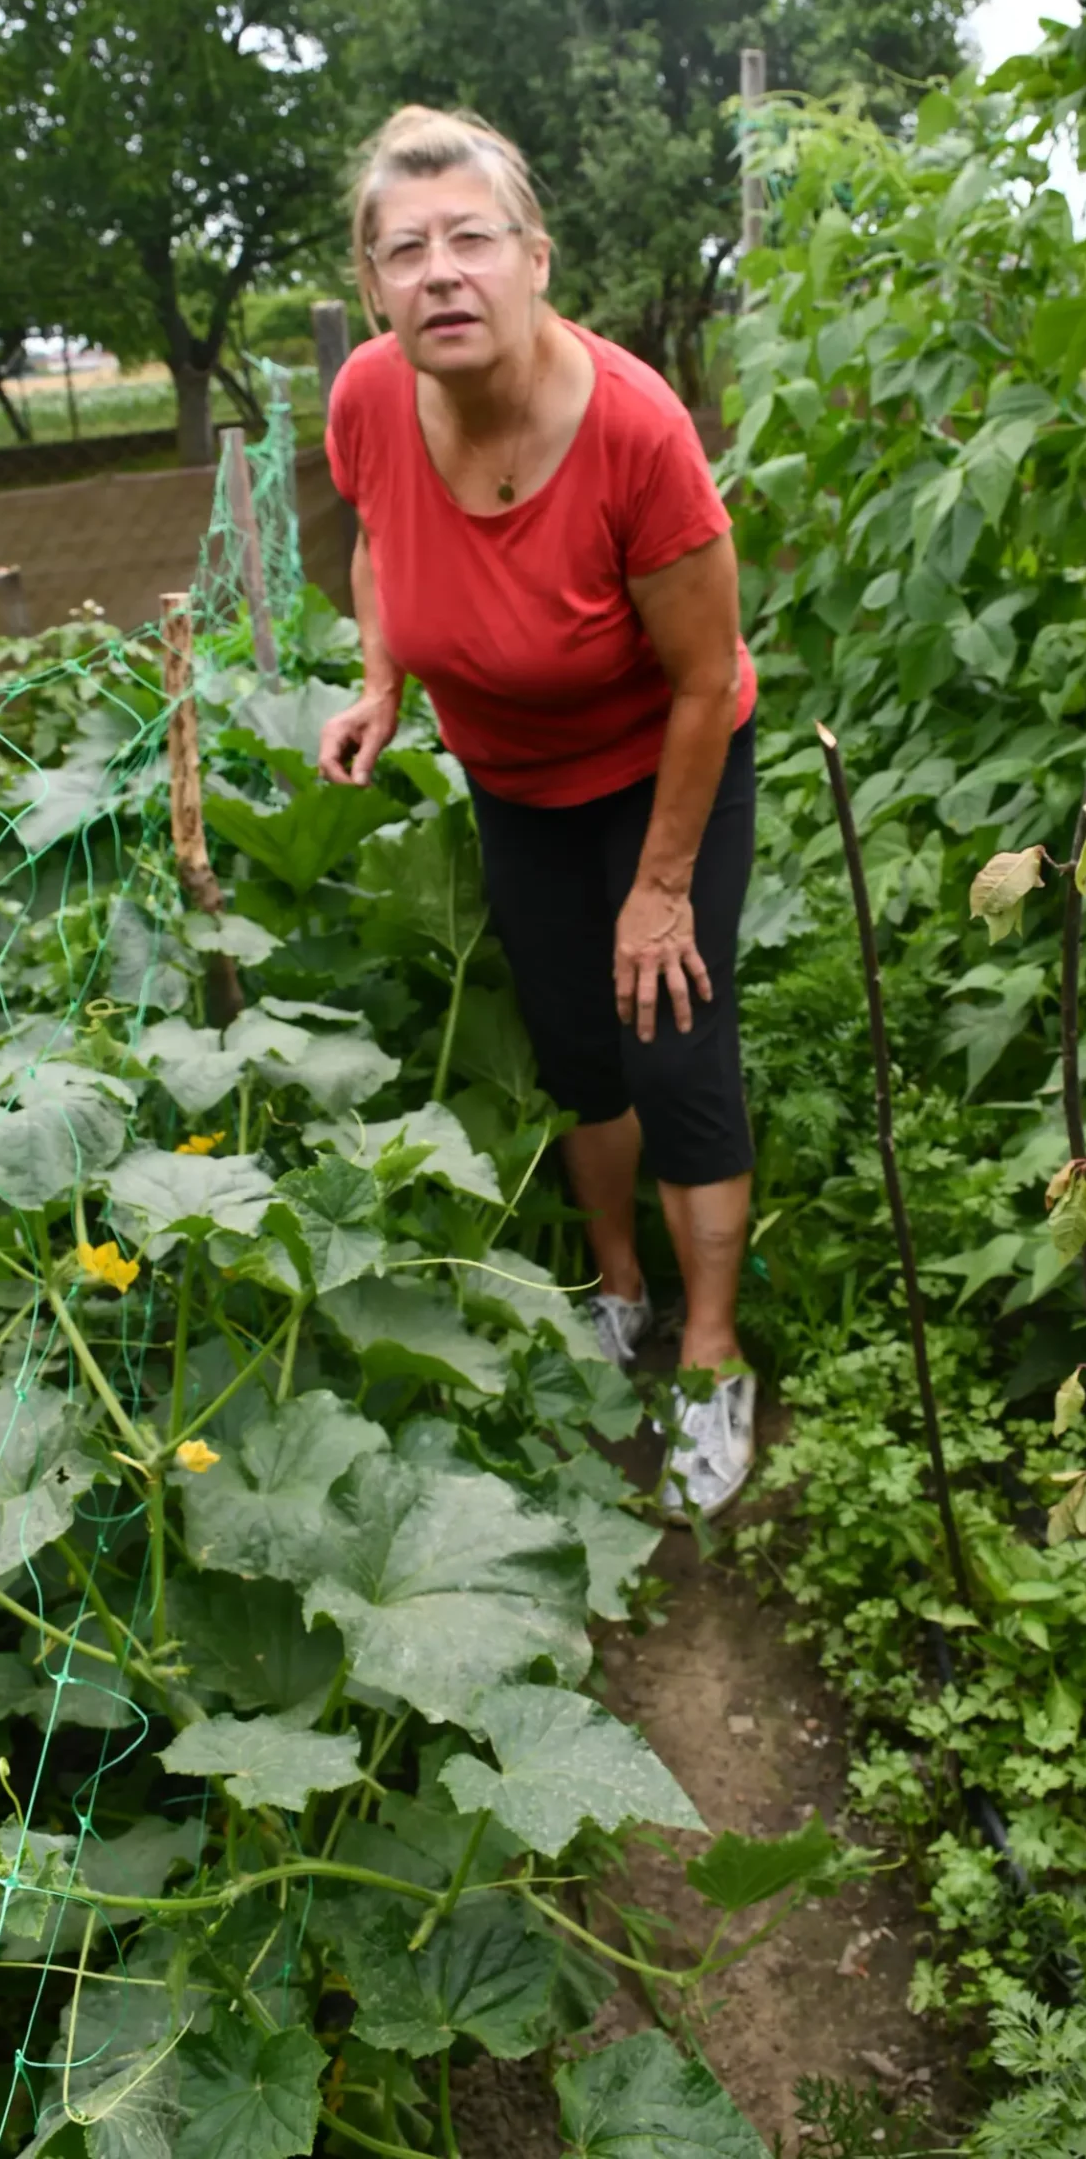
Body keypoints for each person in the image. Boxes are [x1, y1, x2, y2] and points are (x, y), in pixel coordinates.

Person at [317, 105, 759, 1520]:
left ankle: (709, 1356)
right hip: (514, 778)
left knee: (672, 1041)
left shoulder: (634, 431)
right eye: (404, 250)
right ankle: (614, 1287)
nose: (439, 272)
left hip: (663, 765)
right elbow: (380, 541)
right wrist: (382, 681)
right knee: (576, 1044)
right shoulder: (370, 399)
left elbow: (701, 681)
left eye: (469, 240)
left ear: (534, 259)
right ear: (374, 286)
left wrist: (661, 883)